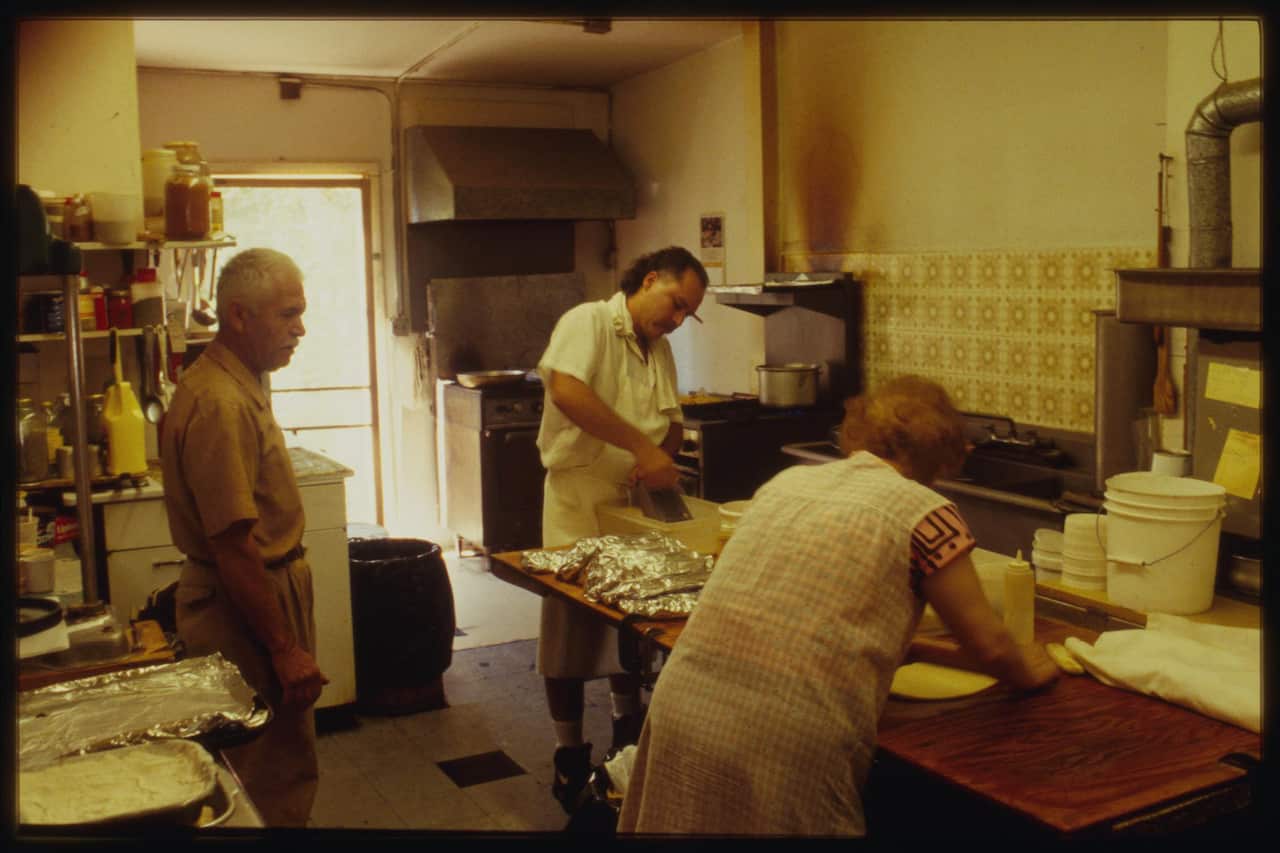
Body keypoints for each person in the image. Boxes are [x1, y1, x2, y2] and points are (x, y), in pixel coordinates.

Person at [617, 375, 1060, 836]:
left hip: (684, 703)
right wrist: (1031, 672)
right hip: (784, 733)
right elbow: (990, 646)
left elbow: (789, 610)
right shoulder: (924, 512)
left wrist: (924, 651)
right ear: (940, 447)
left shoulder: (788, 484)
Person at [534, 245, 709, 812]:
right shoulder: (588, 322)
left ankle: (625, 735)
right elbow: (567, 390)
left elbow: (672, 421)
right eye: (676, 304)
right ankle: (568, 753)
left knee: (633, 621)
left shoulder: (656, 347)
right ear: (650, 279)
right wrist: (638, 445)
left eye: (688, 315)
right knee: (569, 633)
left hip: (633, 503)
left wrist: (660, 455)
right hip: (580, 501)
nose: (677, 320)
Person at [160, 248, 328, 827]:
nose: (299, 329)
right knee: (261, 779)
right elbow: (233, 546)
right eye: (287, 314)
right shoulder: (220, 401)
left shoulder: (239, 382)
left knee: (284, 762)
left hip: (265, 593)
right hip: (244, 607)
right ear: (238, 316)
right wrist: (285, 649)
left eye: (299, 314)